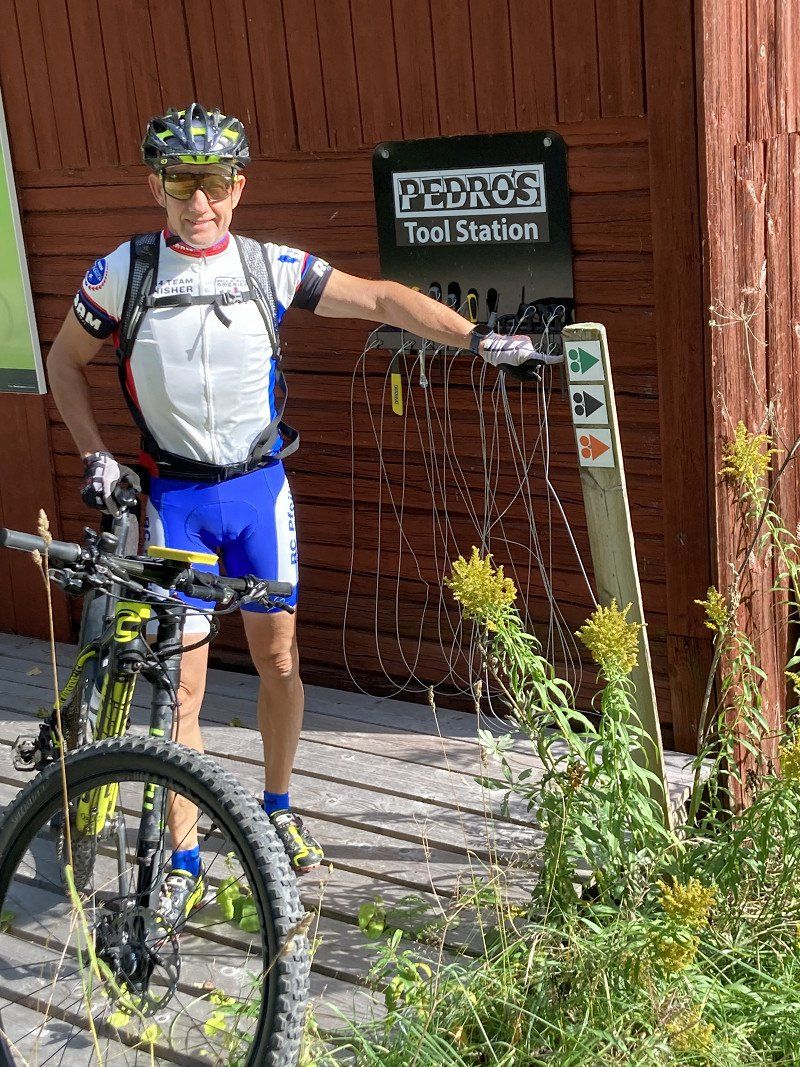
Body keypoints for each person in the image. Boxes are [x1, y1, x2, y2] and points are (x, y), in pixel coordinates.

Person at [47, 104, 553, 924]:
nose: (199, 200)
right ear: (155, 185)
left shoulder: (268, 266)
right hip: (175, 499)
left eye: (215, 181)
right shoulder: (122, 272)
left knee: (279, 660)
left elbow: (381, 297)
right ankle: (183, 859)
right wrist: (93, 454)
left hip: (256, 494)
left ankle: (277, 807)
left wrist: (478, 338)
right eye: (182, 180)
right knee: (181, 692)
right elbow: (63, 360)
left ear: (239, 186)